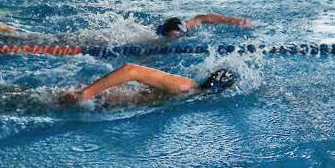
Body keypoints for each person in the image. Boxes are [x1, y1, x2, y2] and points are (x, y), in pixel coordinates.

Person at [0, 11, 251, 40]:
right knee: (39, 39)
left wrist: (236, 21)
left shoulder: (182, 29)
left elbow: (203, 17)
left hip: (109, 37)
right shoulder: (148, 41)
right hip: (100, 41)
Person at [58, 63, 237, 105]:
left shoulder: (194, 94)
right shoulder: (184, 86)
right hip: (99, 99)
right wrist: (86, 94)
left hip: (110, 102)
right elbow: (131, 70)